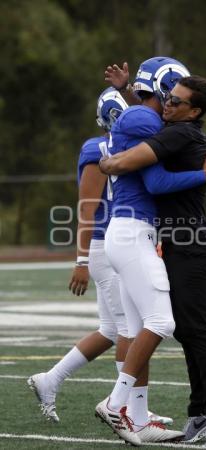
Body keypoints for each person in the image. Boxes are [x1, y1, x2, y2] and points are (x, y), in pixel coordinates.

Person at [100, 74, 206, 448]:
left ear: (193, 111)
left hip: (192, 243)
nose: (168, 104)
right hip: (179, 243)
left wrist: (111, 162)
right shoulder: (177, 127)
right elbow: (147, 112)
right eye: (168, 97)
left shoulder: (181, 133)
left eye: (177, 102)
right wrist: (129, 88)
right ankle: (200, 410)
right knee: (183, 329)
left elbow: (130, 166)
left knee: (196, 329)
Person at [26, 87, 172, 429]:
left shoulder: (127, 143)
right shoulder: (97, 149)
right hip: (108, 242)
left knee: (110, 329)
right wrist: (80, 260)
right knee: (128, 330)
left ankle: (51, 379)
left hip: (117, 241)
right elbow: (87, 208)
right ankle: (127, 410)